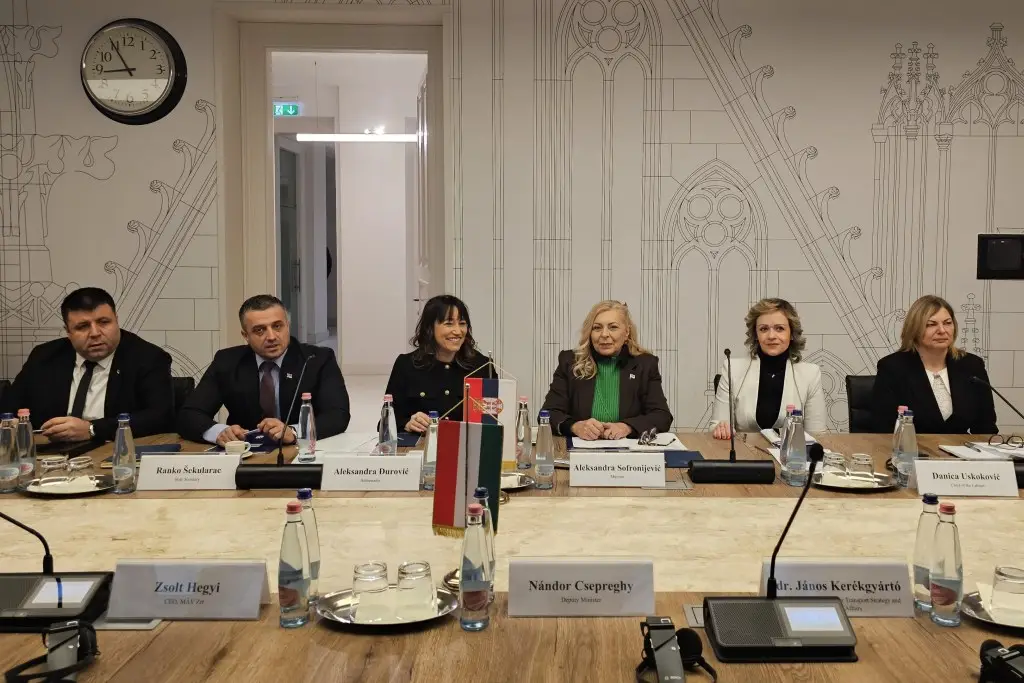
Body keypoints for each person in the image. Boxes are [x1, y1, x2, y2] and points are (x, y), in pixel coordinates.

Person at [1, 287, 173, 441]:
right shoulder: (44, 357)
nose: (95, 333)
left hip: (111, 450)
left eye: (104, 322)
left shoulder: (148, 358)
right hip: (50, 453)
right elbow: (9, 408)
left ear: (116, 320)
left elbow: (160, 417)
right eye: (83, 326)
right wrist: (10, 423)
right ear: (68, 332)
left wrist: (92, 429)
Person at [177, 294, 351, 445]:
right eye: (260, 330)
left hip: (300, 451)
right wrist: (219, 432)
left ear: (287, 325)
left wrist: (294, 432)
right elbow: (189, 414)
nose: (271, 337)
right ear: (245, 335)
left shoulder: (316, 359)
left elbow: (337, 415)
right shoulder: (227, 361)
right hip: (245, 453)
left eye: (277, 326)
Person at [541, 300, 672, 440]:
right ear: (590, 333)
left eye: (613, 327)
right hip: (581, 448)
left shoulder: (645, 364)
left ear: (626, 332)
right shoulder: (570, 362)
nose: (604, 334)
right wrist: (574, 426)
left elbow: (662, 416)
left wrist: (627, 427)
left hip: (627, 449)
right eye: (597, 328)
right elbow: (548, 414)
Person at [872, 294, 997, 434]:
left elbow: (986, 427)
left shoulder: (971, 365)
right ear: (914, 329)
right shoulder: (893, 368)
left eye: (947, 323)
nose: (942, 331)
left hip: (961, 447)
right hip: (913, 446)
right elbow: (883, 429)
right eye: (931, 325)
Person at [710, 298, 826, 439]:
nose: (771, 336)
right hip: (744, 451)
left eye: (779, 328)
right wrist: (721, 429)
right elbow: (717, 425)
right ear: (756, 335)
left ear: (791, 334)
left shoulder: (810, 374)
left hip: (792, 452)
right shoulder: (732, 369)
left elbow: (817, 435)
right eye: (764, 329)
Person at [384, 295, 489, 433]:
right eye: (448, 323)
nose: (458, 331)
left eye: (462, 323)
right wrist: (407, 423)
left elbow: (495, 420)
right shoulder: (406, 365)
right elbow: (386, 422)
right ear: (430, 327)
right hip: (423, 444)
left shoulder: (482, 366)